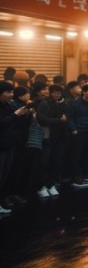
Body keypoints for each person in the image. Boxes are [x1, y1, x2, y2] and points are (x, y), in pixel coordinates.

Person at [0, 82, 32, 213]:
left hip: (11, 144)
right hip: (1, 145)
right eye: (8, 92)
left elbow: (20, 125)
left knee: (5, 175)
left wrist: (26, 114)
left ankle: (2, 202)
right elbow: (2, 123)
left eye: (12, 92)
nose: (11, 95)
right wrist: (15, 115)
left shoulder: (10, 105)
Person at [36, 85, 69, 196]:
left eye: (59, 93)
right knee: (45, 162)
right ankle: (42, 186)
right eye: (55, 93)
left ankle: (51, 184)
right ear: (50, 93)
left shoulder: (62, 103)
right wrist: (59, 120)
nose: (57, 95)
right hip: (48, 137)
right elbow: (41, 119)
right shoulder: (44, 104)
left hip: (60, 137)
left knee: (56, 161)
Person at [67, 84, 88, 188]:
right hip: (79, 132)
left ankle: (86, 175)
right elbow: (70, 117)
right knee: (77, 155)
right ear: (84, 92)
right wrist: (73, 129)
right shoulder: (74, 103)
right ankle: (77, 177)